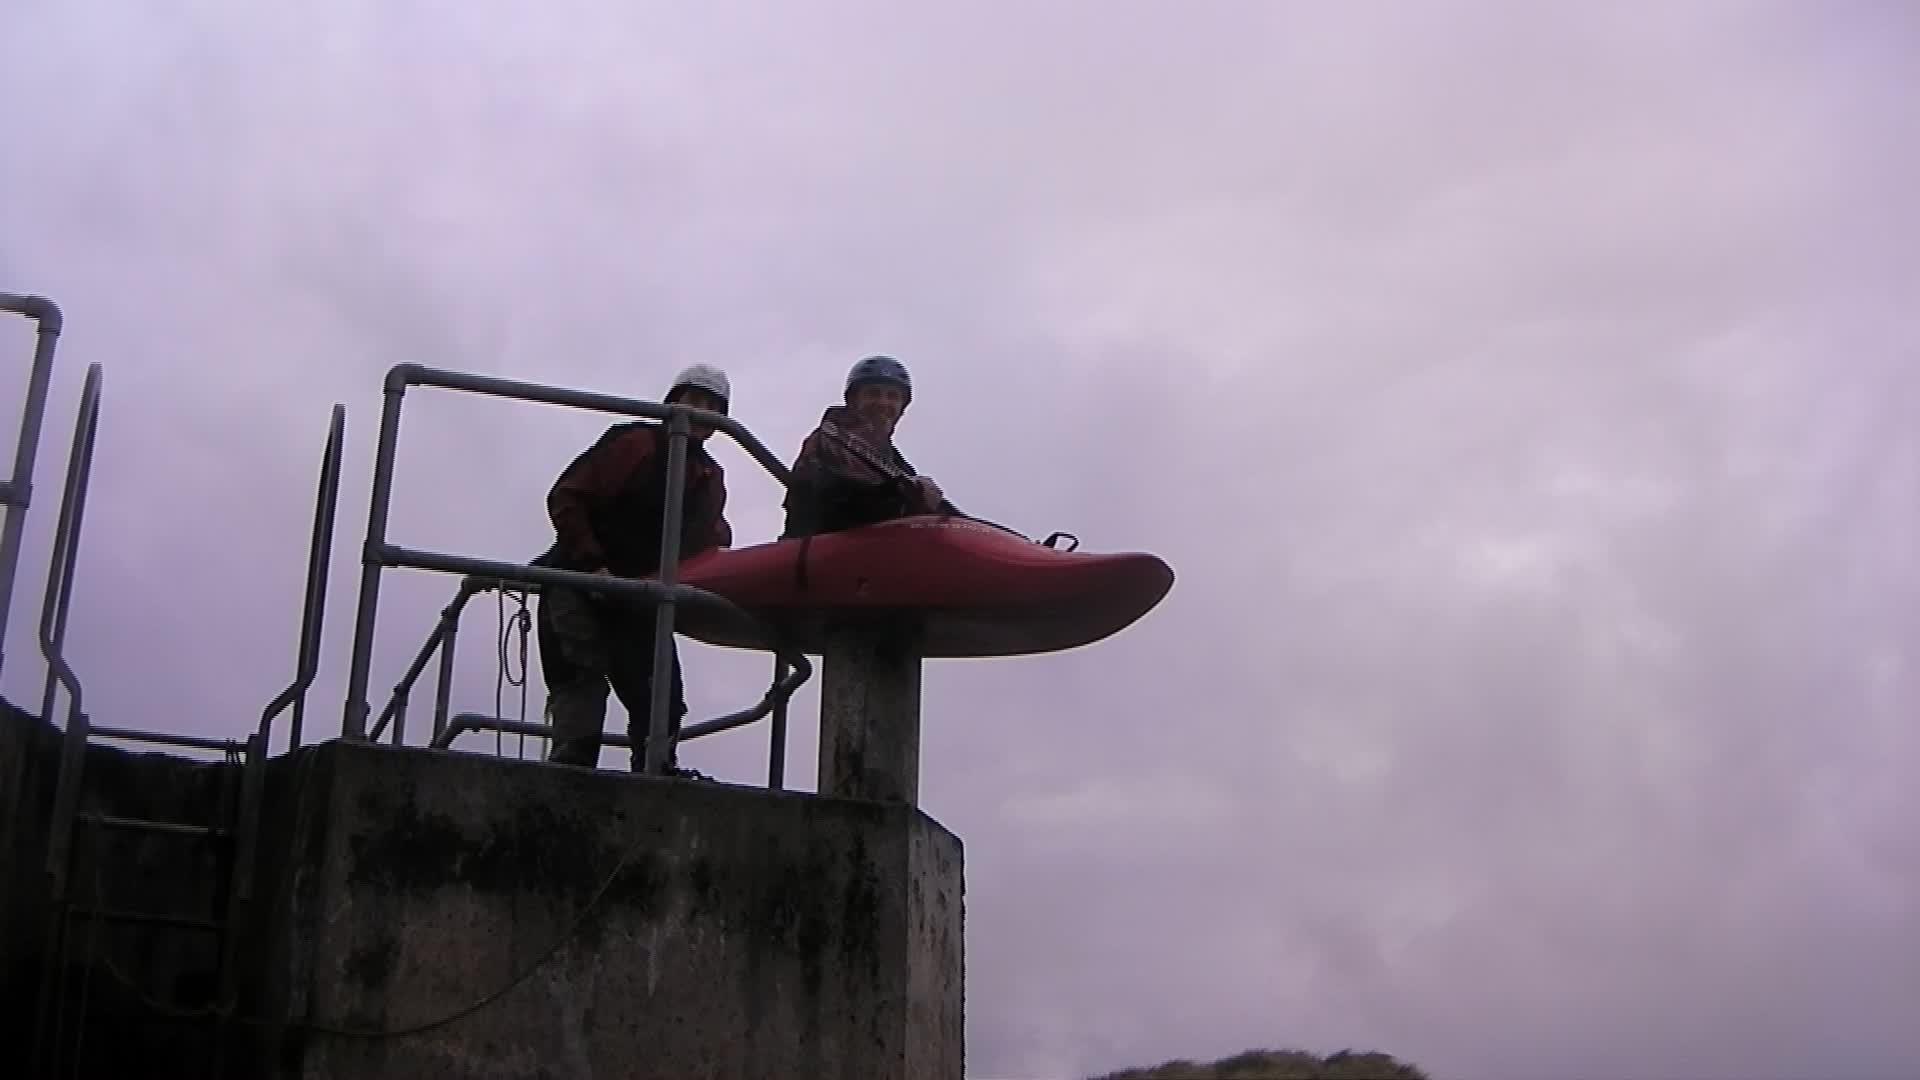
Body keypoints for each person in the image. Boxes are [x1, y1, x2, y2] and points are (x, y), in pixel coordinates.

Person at [532, 362, 734, 774]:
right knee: (580, 682)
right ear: (674, 403)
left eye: (711, 406)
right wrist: (593, 565)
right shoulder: (635, 443)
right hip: (579, 581)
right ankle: (567, 781)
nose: (700, 412)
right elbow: (568, 497)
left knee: (661, 696)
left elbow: (710, 541)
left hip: (642, 596)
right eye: (693, 400)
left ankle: (655, 775)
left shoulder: (709, 476)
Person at [781, 354, 952, 538]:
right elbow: (841, 500)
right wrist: (906, 495)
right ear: (853, 400)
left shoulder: (896, 464)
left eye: (892, 396)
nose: (883, 403)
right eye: (873, 393)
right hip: (825, 552)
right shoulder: (829, 440)